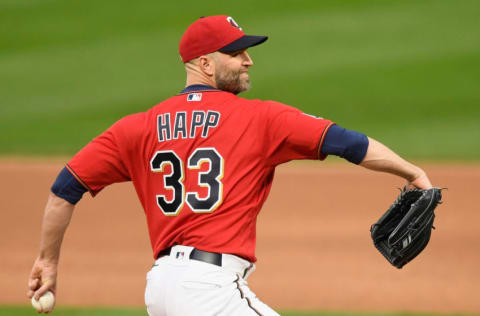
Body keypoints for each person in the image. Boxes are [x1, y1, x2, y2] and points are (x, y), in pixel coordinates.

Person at [27, 15, 434, 316]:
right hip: (208, 290)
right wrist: (411, 173)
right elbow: (347, 142)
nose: (248, 61)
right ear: (205, 64)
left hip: (161, 291)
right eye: (236, 53)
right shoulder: (261, 119)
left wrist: (47, 262)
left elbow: (66, 187)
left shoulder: (137, 127)